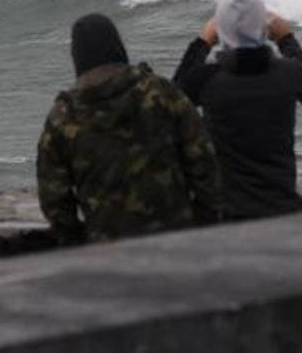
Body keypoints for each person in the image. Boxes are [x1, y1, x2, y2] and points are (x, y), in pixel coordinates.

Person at [36, 13, 222, 243]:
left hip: (109, 250)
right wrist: (205, 219)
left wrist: (78, 241)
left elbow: (54, 198)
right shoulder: (160, 92)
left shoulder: (62, 117)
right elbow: (203, 160)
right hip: (176, 237)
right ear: (117, 47)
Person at [173, 0, 302, 220]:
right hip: (280, 204)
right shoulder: (287, 73)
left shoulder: (208, 79)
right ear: (264, 26)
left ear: (220, 29)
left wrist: (202, 42)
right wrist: (287, 39)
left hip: (227, 211)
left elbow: (175, 95)